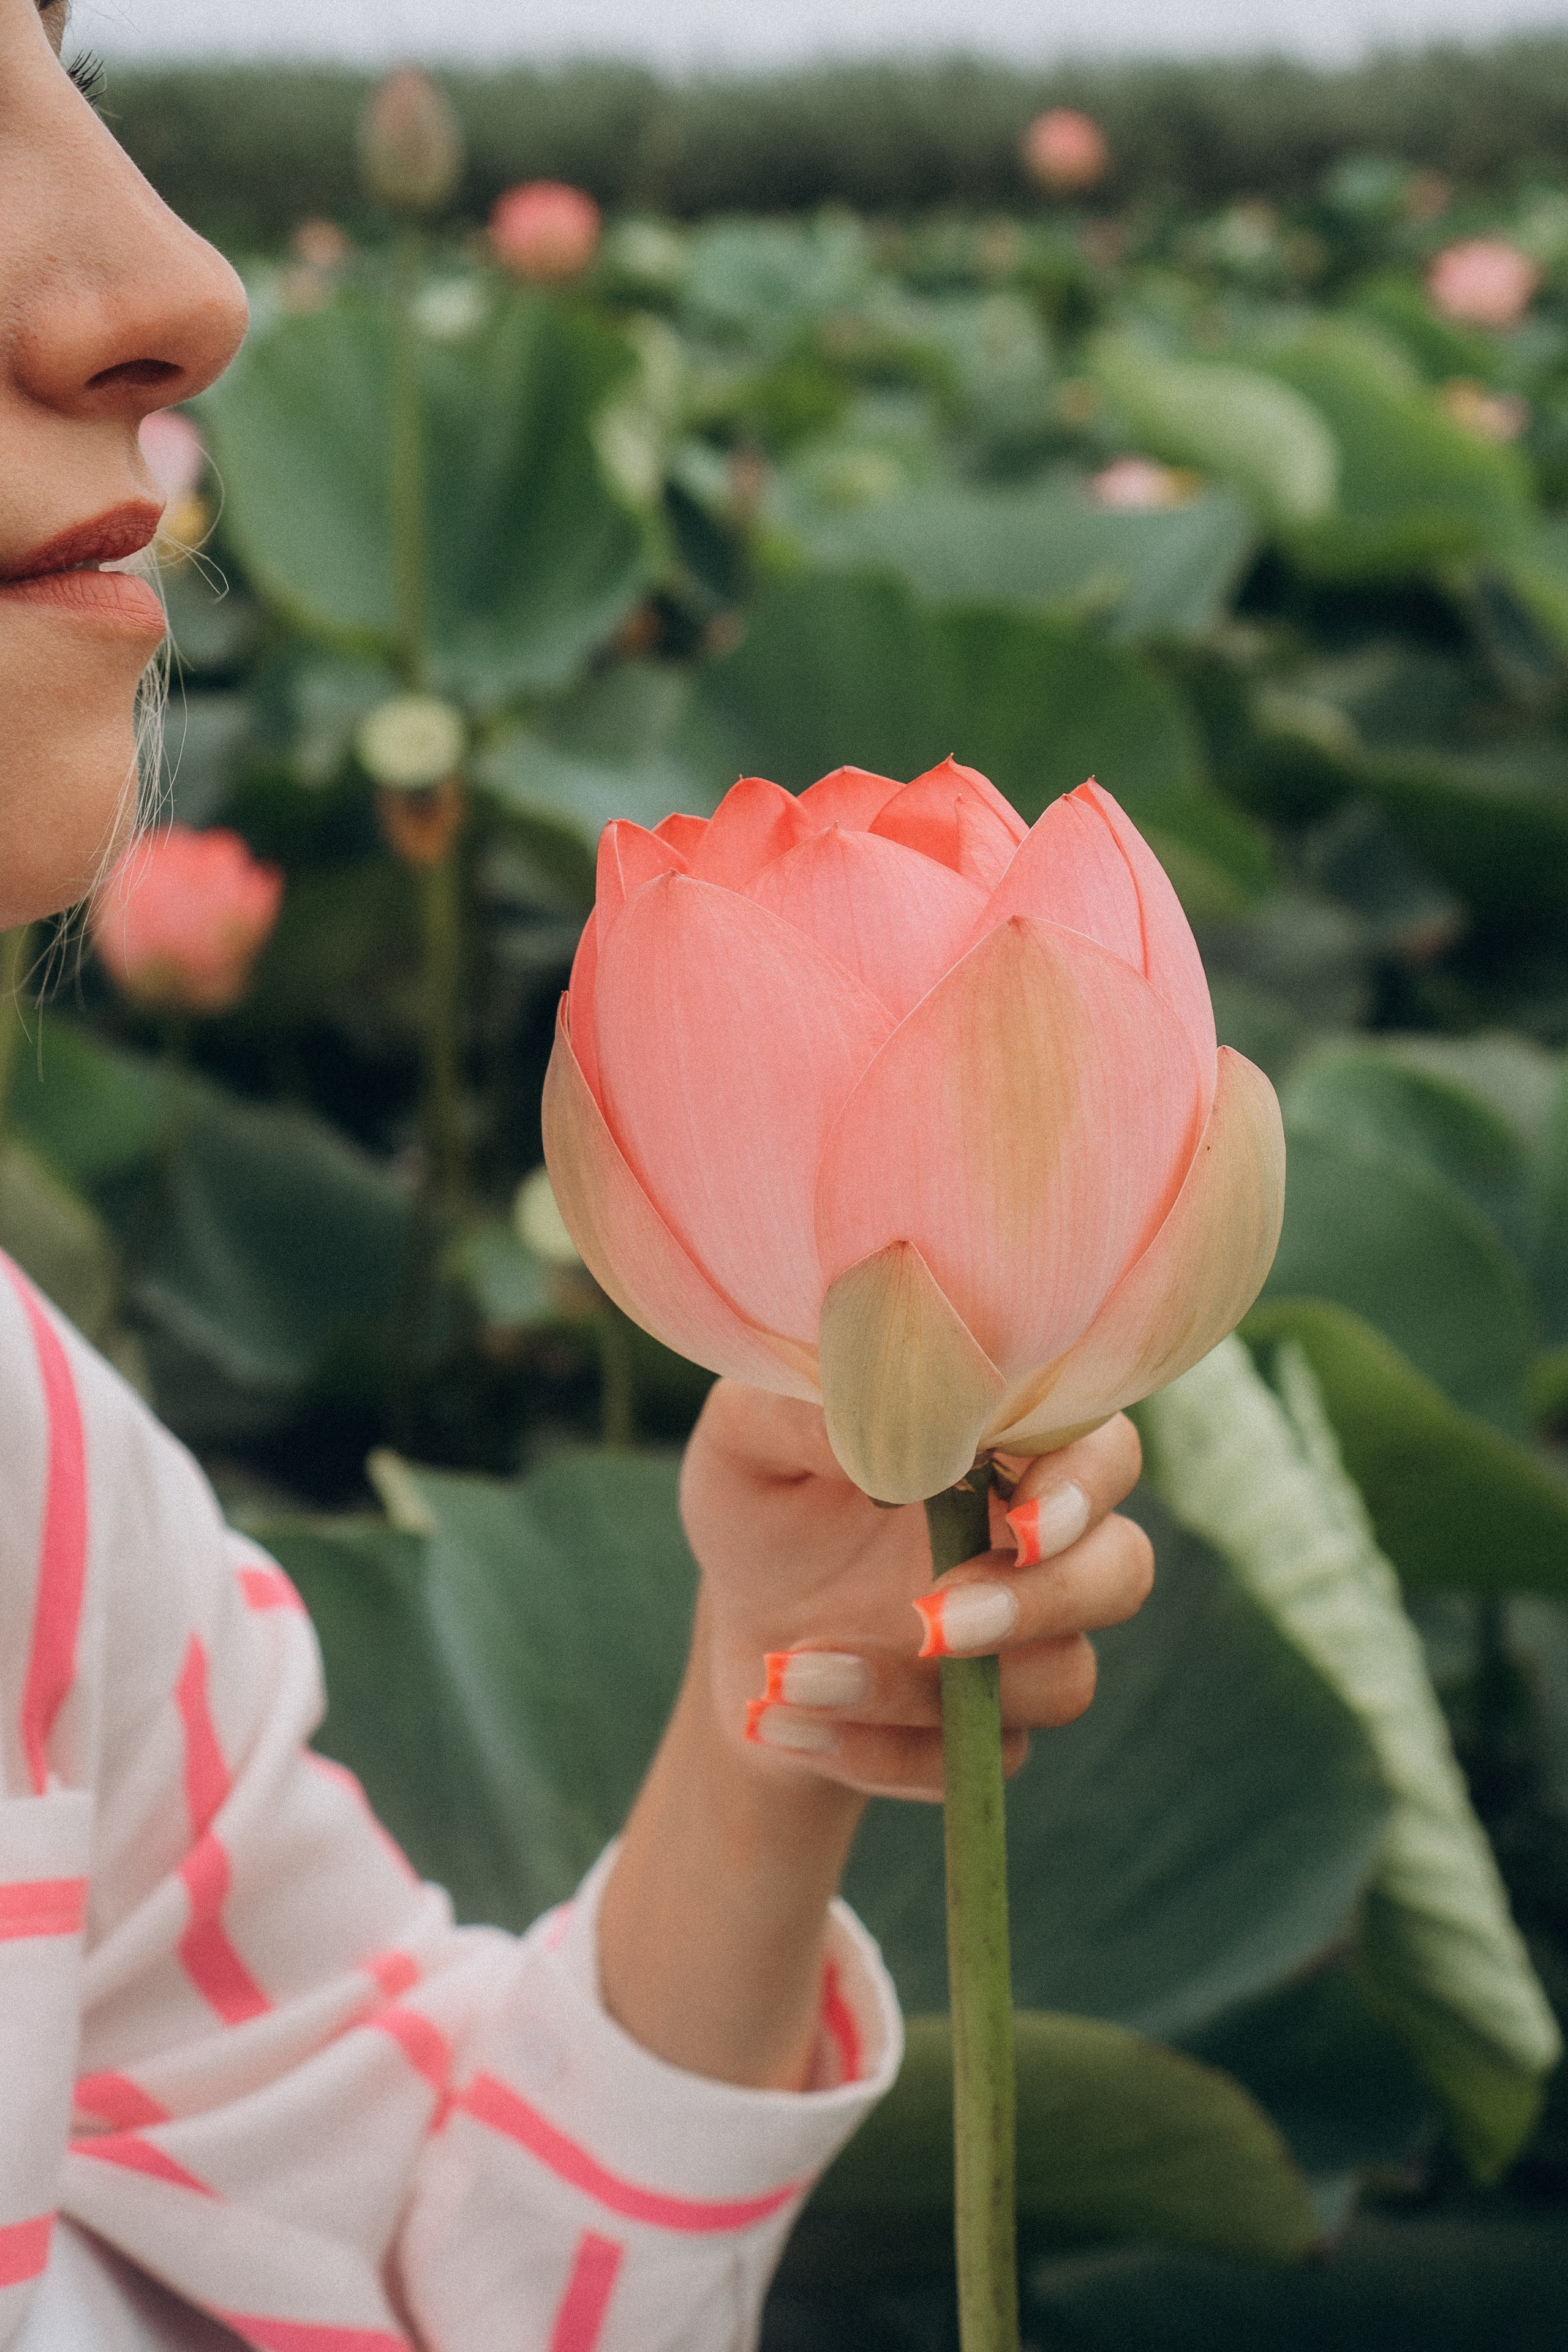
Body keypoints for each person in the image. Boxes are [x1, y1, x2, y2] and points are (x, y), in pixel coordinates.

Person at [0, 6, 1155, 2345]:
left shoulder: (37, 1492)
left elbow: (389, 2279)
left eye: (58, 57)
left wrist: (782, 1691)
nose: (178, 281)